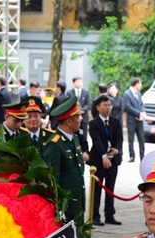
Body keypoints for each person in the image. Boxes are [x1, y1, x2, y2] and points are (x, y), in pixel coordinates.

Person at [42, 96, 86, 221]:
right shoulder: (55, 144)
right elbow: (53, 178)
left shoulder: (74, 138)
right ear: (69, 121)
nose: (81, 119)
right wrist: (58, 207)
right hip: (66, 206)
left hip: (77, 202)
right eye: (77, 117)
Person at [89, 95, 123, 226]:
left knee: (110, 187)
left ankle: (110, 215)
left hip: (113, 159)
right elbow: (96, 141)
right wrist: (103, 156)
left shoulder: (115, 121)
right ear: (98, 107)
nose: (108, 108)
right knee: (97, 188)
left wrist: (116, 150)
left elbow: (119, 138)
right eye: (105, 105)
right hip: (98, 160)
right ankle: (95, 216)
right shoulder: (94, 123)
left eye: (109, 105)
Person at [123, 77, 145, 162]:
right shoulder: (127, 94)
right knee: (131, 139)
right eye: (140, 83)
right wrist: (138, 113)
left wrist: (142, 112)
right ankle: (132, 156)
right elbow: (128, 107)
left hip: (139, 120)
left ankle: (142, 156)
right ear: (136, 84)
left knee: (141, 139)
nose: (141, 85)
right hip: (131, 120)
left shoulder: (139, 94)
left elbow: (141, 104)